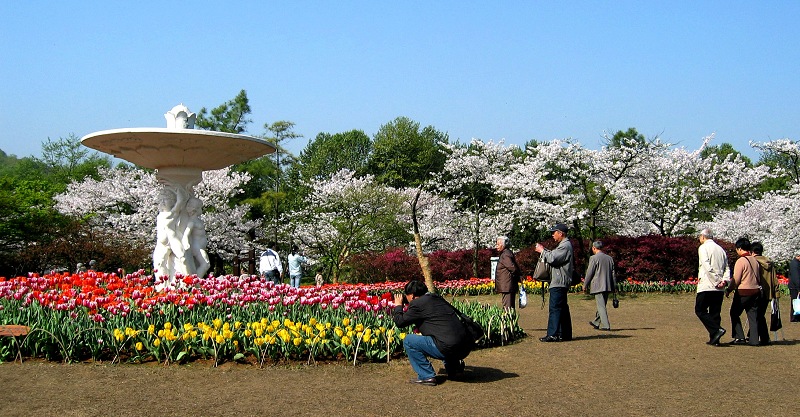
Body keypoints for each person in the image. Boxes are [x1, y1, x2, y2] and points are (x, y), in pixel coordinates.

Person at [391, 280, 473, 386]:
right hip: (465, 347)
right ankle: (455, 370)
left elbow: (399, 322)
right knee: (445, 336)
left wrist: (398, 306)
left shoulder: (417, 304)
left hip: (447, 347)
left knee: (409, 340)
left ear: (411, 295)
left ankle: (427, 376)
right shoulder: (437, 298)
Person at [535, 223, 574, 342]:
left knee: (555, 308)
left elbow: (553, 258)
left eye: (554, 232)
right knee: (562, 308)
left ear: (561, 233)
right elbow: (554, 256)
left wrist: (542, 251)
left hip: (559, 281)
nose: (552, 235)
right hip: (561, 281)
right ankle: (564, 334)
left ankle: (552, 333)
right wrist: (546, 251)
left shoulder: (565, 246)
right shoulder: (565, 245)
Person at [695, 228, 730, 346]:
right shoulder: (721, 249)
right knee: (715, 312)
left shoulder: (703, 248)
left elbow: (707, 266)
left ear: (703, 237)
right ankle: (715, 339)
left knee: (700, 310)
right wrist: (724, 281)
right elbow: (727, 267)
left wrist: (716, 281)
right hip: (719, 288)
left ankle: (716, 330)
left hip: (707, 285)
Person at [725, 237, 762, 346]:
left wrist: (729, 289)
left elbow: (736, 279)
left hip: (743, 292)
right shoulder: (754, 260)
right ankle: (754, 340)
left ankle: (739, 337)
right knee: (752, 315)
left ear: (740, 248)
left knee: (734, 313)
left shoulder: (741, 261)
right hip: (755, 291)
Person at [583, 240, 616, 331]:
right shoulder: (609, 258)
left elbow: (590, 272)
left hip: (598, 285)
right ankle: (596, 322)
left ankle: (606, 325)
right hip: (608, 284)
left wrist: (585, 284)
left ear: (594, 248)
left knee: (601, 306)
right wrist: (614, 286)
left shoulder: (593, 258)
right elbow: (613, 274)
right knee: (602, 305)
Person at [751, 242, 777, 345]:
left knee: (757, 315)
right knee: (760, 314)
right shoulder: (769, 262)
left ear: (752, 252)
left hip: (757, 291)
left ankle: (762, 337)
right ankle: (758, 336)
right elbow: (774, 279)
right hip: (768, 292)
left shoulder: (753, 262)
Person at [182, 197, 210, 278]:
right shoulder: (192, 221)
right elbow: (186, 234)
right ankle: (194, 282)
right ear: (195, 209)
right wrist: (185, 242)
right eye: (200, 207)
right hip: (196, 247)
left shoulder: (197, 220)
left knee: (198, 265)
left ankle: (195, 281)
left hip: (200, 246)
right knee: (206, 264)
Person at [494, 235, 522, 310]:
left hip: (507, 286)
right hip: (507, 286)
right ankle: (510, 320)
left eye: (498, 244)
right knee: (509, 307)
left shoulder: (505, 254)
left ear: (503, 245)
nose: (496, 246)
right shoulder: (506, 253)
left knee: (508, 308)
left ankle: (509, 321)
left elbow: (512, 268)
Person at [790, 253, 800, 321]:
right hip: (795, 287)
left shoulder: (795, 263)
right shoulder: (795, 264)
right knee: (795, 302)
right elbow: (796, 277)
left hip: (794, 286)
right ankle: (795, 317)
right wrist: (799, 288)